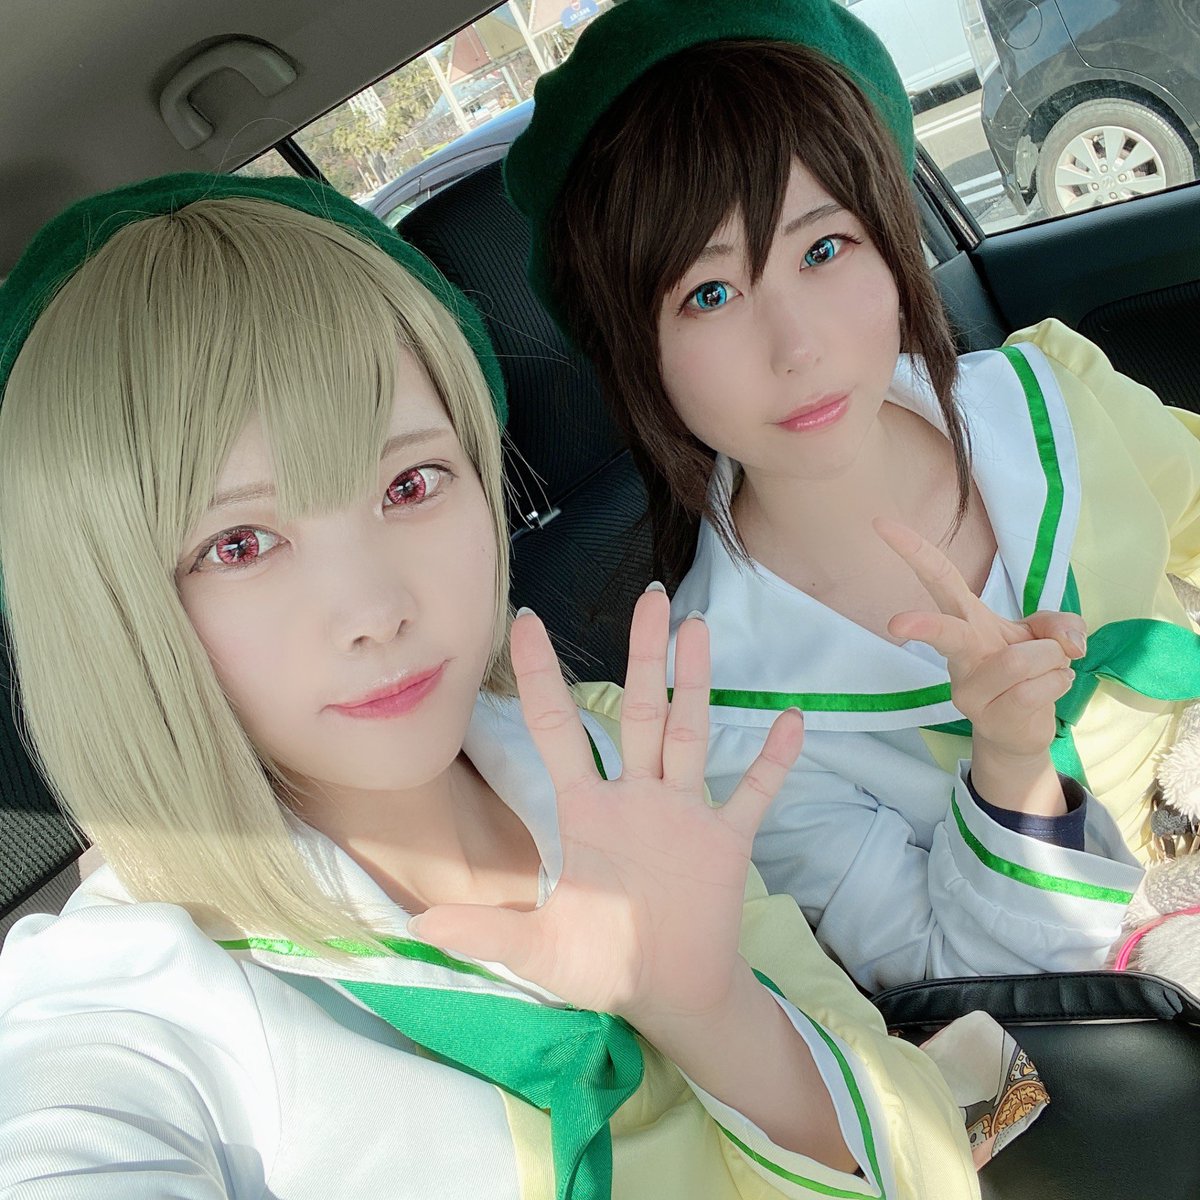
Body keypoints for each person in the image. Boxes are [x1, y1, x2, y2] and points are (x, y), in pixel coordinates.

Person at [0, 174, 980, 1198]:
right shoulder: (136, 1004)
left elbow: (927, 1155)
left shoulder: (620, 755)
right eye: (239, 543)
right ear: (111, 607)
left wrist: (708, 1009)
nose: (375, 608)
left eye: (410, 483)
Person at [504, 0, 1200, 991]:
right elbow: (947, 984)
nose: (798, 347)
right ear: (636, 355)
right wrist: (1009, 765)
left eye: (824, 248)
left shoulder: (1055, 394)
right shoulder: (724, 716)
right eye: (709, 294)